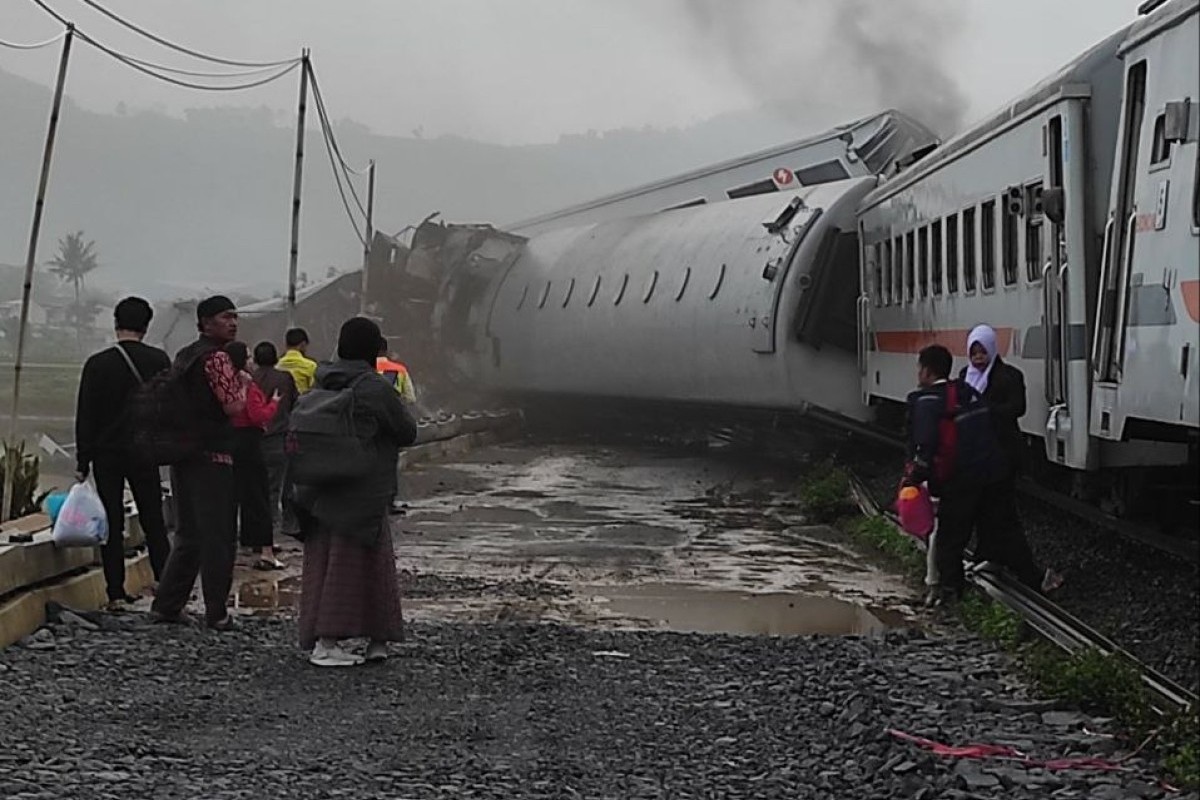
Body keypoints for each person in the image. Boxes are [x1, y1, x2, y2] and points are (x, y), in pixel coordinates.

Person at [295, 316, 417, 667]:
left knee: (325, 565)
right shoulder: (374, 387)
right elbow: (406, 431)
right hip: (364, 489)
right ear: (373, 350)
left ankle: (326, 638)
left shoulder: (321, 380)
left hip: (319, 488)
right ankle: (361, 642)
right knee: (369, 566)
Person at [150, 296, 245, 631]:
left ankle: (167, 605)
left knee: (188, 534)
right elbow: (234, 407)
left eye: (234, 317)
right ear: (205, 322)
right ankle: (217, 612)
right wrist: (244, 385)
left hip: (183, 455)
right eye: (225, 317)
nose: (232, 322)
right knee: (218, 535)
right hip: (214, 457)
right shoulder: (217, 358)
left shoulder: (185, 355)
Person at [74, 297, 172, 610]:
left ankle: (115, 593)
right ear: (147, 324)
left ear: (116, 322)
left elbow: (85, 414)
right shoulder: (159, 360)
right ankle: (168, 589)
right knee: (153, 519)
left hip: (106, 454)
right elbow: (168, 407)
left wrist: (82, 460)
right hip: (144, 451)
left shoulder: (97, 363)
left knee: (111, 522)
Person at [961, 324, 1062, 593]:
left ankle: (1029, 572)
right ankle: (990, 556)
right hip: (976, 455)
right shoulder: (965, 376)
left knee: (1002, 511)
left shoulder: (1009, 376)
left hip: (1002, 454)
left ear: (992, 349)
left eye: (983, 351)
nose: (978, 357)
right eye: (974, 351)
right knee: (986, 508)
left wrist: (985, 410)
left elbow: (1017, 408)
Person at [904, 344, 1004, 608]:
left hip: (954, 479)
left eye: (919, 368)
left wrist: (914, 477)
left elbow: (924, 445)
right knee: (965, 533)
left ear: (926, 370)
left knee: (947, 538)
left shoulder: (927, 401)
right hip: (984, 473)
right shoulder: (966, 391)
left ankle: (950, 592)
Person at [226, 341, 282, 570]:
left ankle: (237, 546)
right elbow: (258, 415)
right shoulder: (247, 384)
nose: (251, 361)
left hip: (229, 442)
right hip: (250, 442)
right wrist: (274, 404)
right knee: (259, 496)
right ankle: (266, 551)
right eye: (247, 357)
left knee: (233, 497)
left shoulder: (223, 384)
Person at [251, 342, 299, 541]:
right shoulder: (285, 378)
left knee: (255, 486)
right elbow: (295, 403)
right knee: (279, 486)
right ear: (276, 358)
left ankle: (257, 529)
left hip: (252, 439)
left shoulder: (249, 380)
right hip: (279, 438)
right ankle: (273, 529)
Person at [375, 337, 417, 405]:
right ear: (386, 351)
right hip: (393, 412)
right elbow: (411, 399)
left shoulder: (366, 369)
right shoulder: (400, 369)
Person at [278, 327, 318, 394]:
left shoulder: (277, 365)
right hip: (303, 402)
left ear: (286, 345)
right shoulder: (310, 365)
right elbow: (314, 390)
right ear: (303, 344)